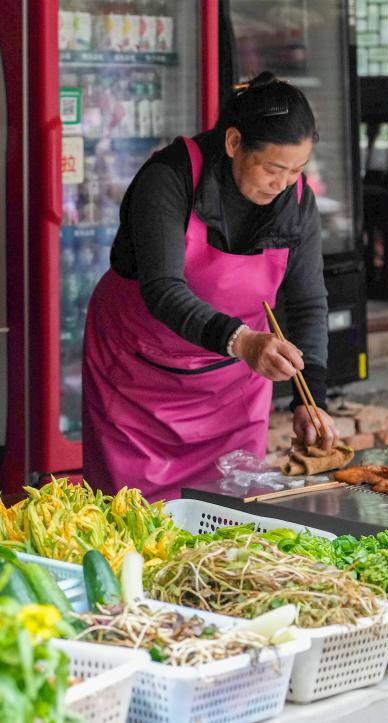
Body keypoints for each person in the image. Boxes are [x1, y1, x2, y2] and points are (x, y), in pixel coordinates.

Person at [82, 72, 337, 500]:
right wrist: (241, 341)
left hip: (232, 385)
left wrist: (308, 397)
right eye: (274, 168)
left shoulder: (295, 199)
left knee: (230, 509)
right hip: (137, 379)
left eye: (297, 170)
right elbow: (163, 289)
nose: (284, 184)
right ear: (234, 143)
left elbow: (308, 300)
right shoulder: (170, 177)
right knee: (132, 520)